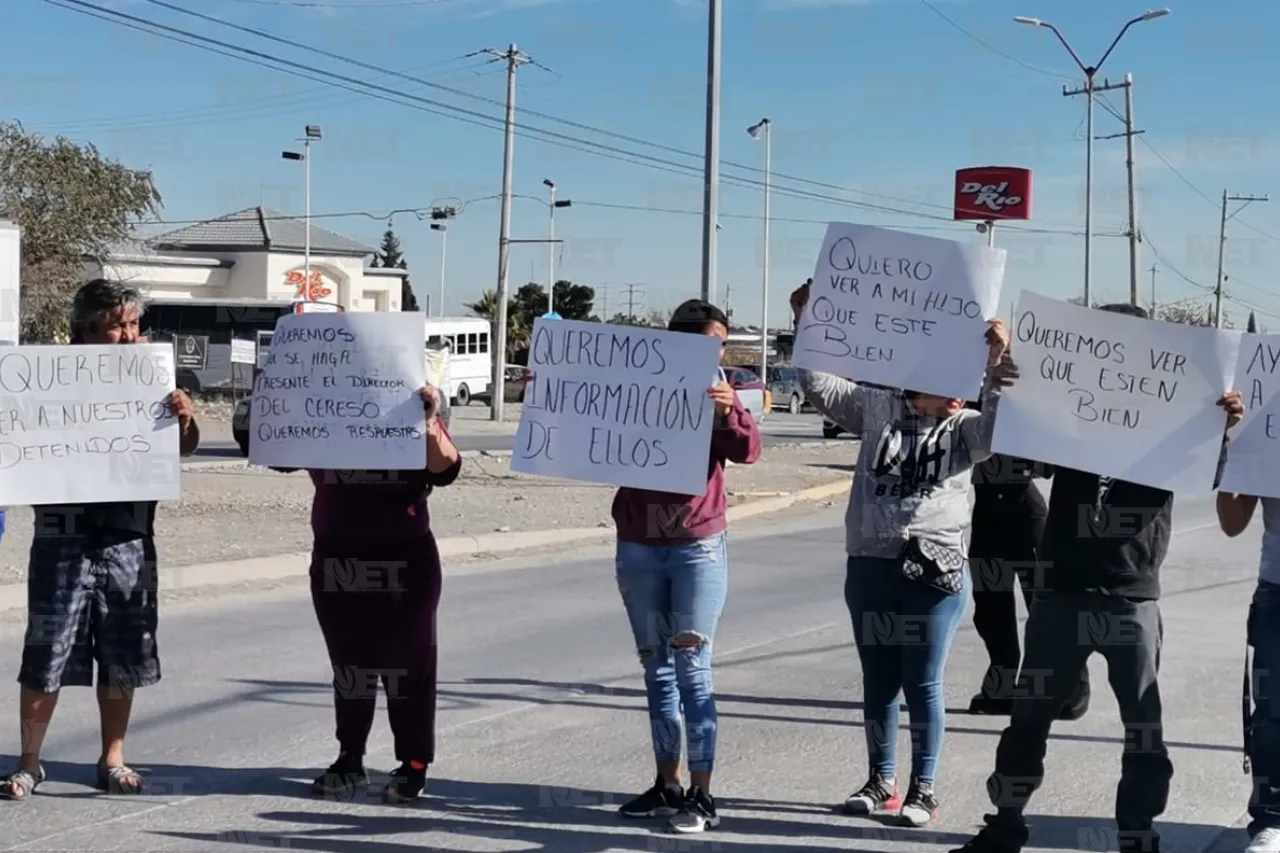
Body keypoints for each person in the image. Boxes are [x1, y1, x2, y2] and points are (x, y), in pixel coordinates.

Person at [949, 303, 1246, 853]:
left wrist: (1226, 427)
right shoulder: (1070, 417)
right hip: (1060, 593)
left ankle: (1137, 832)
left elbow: (1223, 476)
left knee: (1143, 729)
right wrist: (1003, 385)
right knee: (1028, 721)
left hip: (1132, 597)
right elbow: (1009, 453)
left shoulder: (1177, 416)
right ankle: (1005, 823)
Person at [791, 280, 1014, 827]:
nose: (959, 395)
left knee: (923, 681)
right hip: (870, 563)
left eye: (966, 385)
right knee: (879, 681)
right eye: (951, 382)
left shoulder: (965, 428)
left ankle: (924, 788)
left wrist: (996, 362)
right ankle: (880, 780)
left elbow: (1002, 430)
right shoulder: (874, 408)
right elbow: (817, 382)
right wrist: (807, 319)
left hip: (934, 570)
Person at [1, 278, 201, 800]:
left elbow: (181, 452)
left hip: (127, 536)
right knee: (46, 649)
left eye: (134, 325)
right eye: (116, 326)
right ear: (85, 330)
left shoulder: (154, 377)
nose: (130, 336)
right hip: (60, 535)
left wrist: (185, 417)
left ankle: (113, 758)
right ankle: (29, 762)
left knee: (121, 651)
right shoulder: (45, 379)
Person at [611, 298, 762, 834]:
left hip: (696, 545)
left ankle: (701, 794)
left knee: (692, 671)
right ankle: (666, 783)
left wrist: (728, 412)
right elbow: (584, 428)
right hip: (638, 545)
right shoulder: (635, 383)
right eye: (707, 341)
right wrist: (554, 397)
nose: (716, 350)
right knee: (656, 671)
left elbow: (748, 451)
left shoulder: (720, 393)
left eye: (721, 342)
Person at [291, 384, 462, 805]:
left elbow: (447, 469)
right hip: (337, 562)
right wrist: (282, 403)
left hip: (405, 563)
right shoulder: (326, 407)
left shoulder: (411, 403)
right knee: (350, 666)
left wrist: (425, 422)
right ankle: (350, 758)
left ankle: (413, 764)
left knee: (409, 668)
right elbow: (278, 455)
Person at [967, 448, 1090, 719]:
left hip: (1024, 508)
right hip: (986, 507)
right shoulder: (975, 408)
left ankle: (1073, 685)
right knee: (990, 607)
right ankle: (1002, 684)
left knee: (1045, 603)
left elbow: (1049, 464)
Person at [1216, 445, 1280, 853]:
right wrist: (1231, 454)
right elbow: (1232, 521)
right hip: (1278, 588)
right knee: (1272, 713)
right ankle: (1273, 819)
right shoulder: (1269, 421)